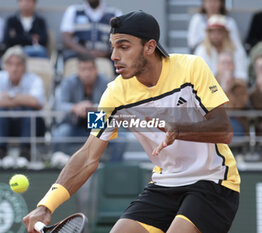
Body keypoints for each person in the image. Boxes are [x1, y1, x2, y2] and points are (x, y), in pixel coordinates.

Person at [23, 11, 240, 233]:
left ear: (149, 46)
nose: (114, 56)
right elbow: (88, 155)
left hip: (213, 179)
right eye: (113, 46)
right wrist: (46, 205)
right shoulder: (113, 95)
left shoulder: (192, 67)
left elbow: (224, 130)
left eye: (124, 47)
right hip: (165, 183)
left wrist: (179, 130)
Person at [52, 55, 126, 162]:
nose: (87, 73)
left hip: (98, 123)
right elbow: (60, 105)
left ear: (96, 70)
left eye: (90, 69)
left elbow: (115, 105)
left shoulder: (106, 82)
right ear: (78, 71)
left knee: (121, 139)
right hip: (74, 124)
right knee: (59, 135)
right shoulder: (68, 82)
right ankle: (60, 166)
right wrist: (75, 107)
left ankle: (111, 172)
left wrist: (93, 107)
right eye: (83, 69)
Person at [0, 46, 44, 160]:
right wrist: (24, 100)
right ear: (5, 65)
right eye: (10, 64)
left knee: (29, 111)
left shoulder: (35, 79)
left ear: (24, 66)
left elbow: (36, 102)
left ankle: (25, 152)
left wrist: (10, 96)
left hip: (30, 126)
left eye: (18, 64)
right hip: (6, 125)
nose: (14, 68)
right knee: (0, 111)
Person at [60, 0, 122, 78]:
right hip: (78, 56)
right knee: (71, 72)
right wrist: (86, 52)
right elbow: (66, 39)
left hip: (105, 58)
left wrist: (106, 53)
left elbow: (120, 40)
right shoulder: (74, 10)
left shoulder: (115, 13)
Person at [194, 14, 248, 81]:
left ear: (225, 33)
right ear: (208, 33)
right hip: (210, 88)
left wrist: (229, 81)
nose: (215, 35)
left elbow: (242, 74)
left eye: (219, 31)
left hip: (233, 86)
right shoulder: (201, 50)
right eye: (212, 31)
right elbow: (200, 76)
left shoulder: (236, 49)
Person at [215, 52, 249, 137]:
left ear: (233, 66)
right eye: (223, 63)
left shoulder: (240, 85)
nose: (226, 66)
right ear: (218, 66)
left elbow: (237, 107)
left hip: (235, 120)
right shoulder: (210, 84)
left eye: (229, 63)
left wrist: (227, 88)